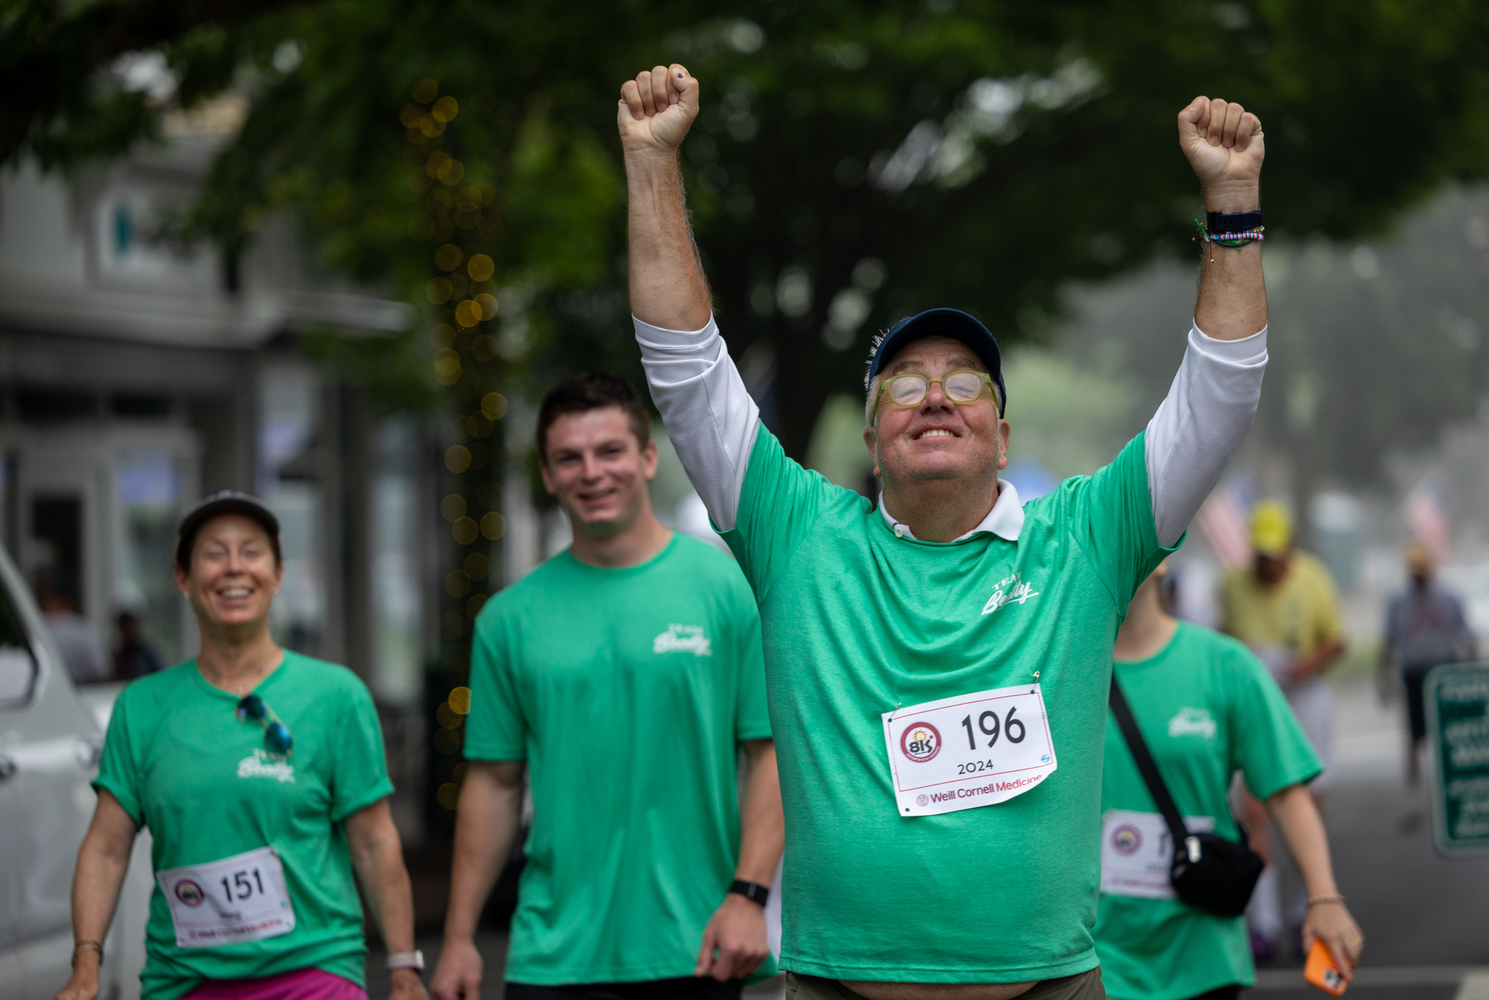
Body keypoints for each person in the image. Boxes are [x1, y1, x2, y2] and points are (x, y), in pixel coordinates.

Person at [620, 62, 1268, 1000]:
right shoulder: (798, 532)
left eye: (965, 382)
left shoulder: (1086, 536)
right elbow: (684, 367)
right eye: (904, 385)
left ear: (1003, 438)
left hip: (1048, 984)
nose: (934, 397)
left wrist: (1234, 205)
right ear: (875, 437)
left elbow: (1220, 394)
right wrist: (651, 163)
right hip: (838, 984)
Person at [430, 373, 783, 1000]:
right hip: (552, 953)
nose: (591, 472)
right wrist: (458, 938)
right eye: (569, 457)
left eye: (610, 451)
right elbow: (494, 781)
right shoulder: (510, 619)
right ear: (547, 474)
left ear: (648, 457)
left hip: (696, 943)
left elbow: (770, 754)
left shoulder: (725, 588)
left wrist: (750, 895)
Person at [54, 491, 427, 1000]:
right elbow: (106, 848)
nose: (233, 568)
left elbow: (374, 841)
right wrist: (85, 966)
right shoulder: (142, 707)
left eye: (251, 551)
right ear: (183, 579)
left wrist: (405, 970)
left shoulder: (336, 696)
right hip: (184, 982)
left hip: (313, 974)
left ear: (277, 574)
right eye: (213, 553)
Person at [1096, 559, 1363, 1000]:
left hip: (1204, 950)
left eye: (1124, 526)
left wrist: (1323, 898)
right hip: (1093, 957)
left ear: (1163, 556)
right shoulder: (1054, 671)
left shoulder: (1226, 665)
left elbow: (1285, 794)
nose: (1111, 544)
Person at [1218, 500, 1344, 960]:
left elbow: (1336, 642)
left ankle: (1303, 908)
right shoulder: (1234, 583)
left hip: (1304, 696)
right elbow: (1224, 634)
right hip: (1257, 698)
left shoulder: (1314, 579)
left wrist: (1298, 667)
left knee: (1308, 805)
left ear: (1290, 549)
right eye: (1260, 556)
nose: (1267, 565)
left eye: (1275, 556)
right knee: (1256, 810)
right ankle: (1264, 923)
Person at [1384, 539, 1475, 790]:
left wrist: (1472, 673)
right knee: (1415, 727)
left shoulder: (1448, 598)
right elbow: (1389, 642)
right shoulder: (1398, 602)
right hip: (1414, 671)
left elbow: (1467, 637)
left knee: (1452, 726)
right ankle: (1413, 778)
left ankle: (1455, 769)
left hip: (1446, 669)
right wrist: (1383, 678)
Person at [37, 569, 110, 684]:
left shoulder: (38, 627)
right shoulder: (84, 628)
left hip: (48, 690)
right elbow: (101, 671)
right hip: (82, 692)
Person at [115, 610, 165, 680]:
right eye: (125, 628)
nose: (128, 632)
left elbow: (159, 674)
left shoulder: (146, 654)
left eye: (130, 627)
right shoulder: (120, 655)